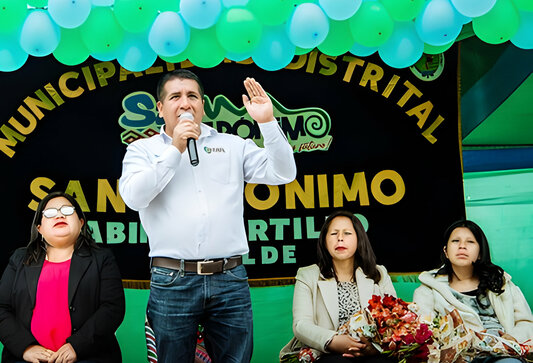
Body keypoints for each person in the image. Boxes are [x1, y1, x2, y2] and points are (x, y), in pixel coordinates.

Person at [119, 69, 296, 363]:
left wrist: (267, 121)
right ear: (161, 108)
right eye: (175, 96)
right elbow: (135, 197)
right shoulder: (142, 150)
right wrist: (175, 147)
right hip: (172, 278)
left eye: (192, 96)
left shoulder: (232, 145)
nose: (185, 103)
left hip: (230, 277)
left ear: (203, 104)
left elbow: (283, 172)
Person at [0, 191, 125, 363]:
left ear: (81, 222)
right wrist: (26, 348)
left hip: (87, 356)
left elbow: (112, 308)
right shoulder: (20, 259)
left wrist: (77, 346)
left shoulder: (102, 258)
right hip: (26, 359)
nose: (60, 215)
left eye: (67, 211)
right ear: (39, 228)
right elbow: (0, 310)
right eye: (50, 213)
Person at [281, 210, 396, 363]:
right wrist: (333, 341)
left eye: (347, 233)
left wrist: (372, 348)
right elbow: (301, 325)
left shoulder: (378, 273)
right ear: (324, 240)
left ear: (359, 239)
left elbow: (394, 320)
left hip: (371, 350)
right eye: (334, 234)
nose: (340, 238)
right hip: (325, 352)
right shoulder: (307, 275)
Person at [413, 220, 533, 363]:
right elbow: (425, 333)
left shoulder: (500, 283)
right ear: (446, 251)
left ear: (480, 253)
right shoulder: (428, 290)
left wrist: (512, 338)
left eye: (470, 242)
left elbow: (526, 321)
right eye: (456, 241)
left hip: (502, 353)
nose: (462, 246)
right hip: (459, 358)